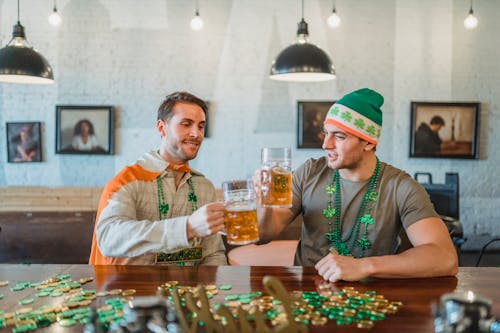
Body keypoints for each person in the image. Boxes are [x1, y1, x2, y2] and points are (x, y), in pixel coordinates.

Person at [257, 88, 458, 282]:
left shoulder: (400, 186)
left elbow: (445, 258)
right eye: (326, 133)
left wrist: (365, 266)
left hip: (372, 297)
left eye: (339, 136)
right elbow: (265, 235)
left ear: (369, 143)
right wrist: (264, 202)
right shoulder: (309, 172)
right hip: (308, 292)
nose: (326, 144)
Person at [89, 91, 226, 265]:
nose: (196, 134)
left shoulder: (204, 186)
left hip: (190, 291)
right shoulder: (128, 180)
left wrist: (212, 290)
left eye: (200, 126)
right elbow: (110, 238)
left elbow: (213, 254)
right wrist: (187, 227)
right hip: (131, 289)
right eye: (186, 124)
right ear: (161, 128)